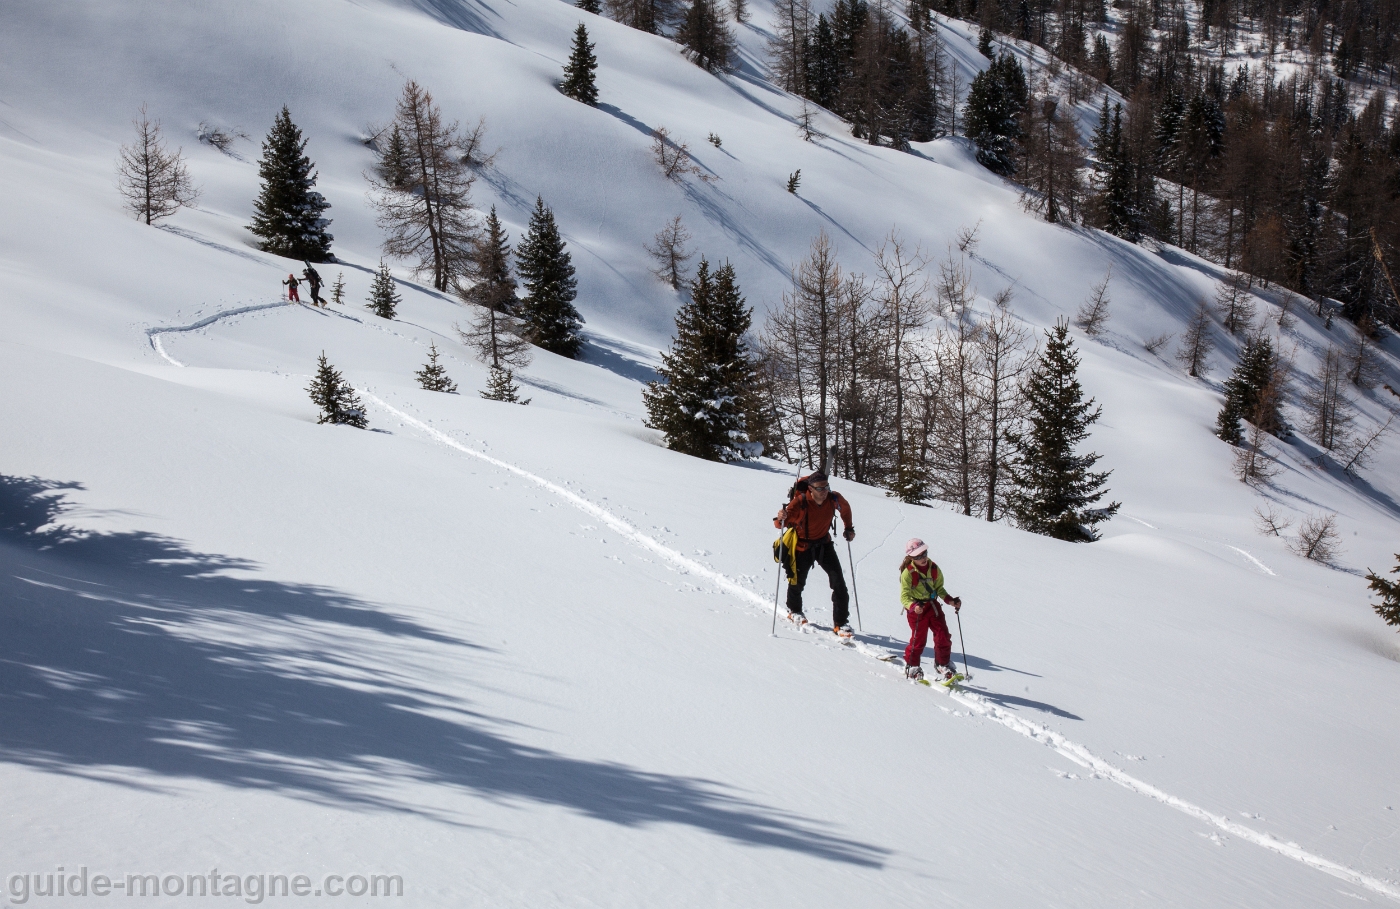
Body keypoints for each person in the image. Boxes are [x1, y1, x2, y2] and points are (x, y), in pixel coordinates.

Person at [773, 469, 855, 637]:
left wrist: (848, 528)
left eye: (826, 487)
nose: (824, 491)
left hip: (824, 545)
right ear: (810, 488)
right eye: (819, 488)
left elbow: (845, 509)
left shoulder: (834, 499)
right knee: (797, 581)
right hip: (802, 547)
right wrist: (781, 517)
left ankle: (841, 623)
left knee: (838, 582)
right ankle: (794, 610)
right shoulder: (800, 502)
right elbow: (780, 523)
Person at [899, 538, 962, 681]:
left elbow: (939, 588)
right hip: (917, 611)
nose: (922, 558)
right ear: (911, 557)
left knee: (943, 635)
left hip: (933, 606)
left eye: (924, 553)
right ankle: (912, 665)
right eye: (918, 556)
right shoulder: (908, 573)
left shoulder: (933, 568)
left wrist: (951, 601)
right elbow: (904, 597)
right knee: (918, 640)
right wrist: (913, 607)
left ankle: (942, 663)